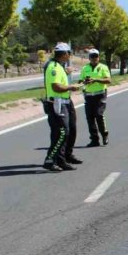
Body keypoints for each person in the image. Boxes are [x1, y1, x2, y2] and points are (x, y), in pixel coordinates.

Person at [41, 43, 83, 171]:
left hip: (66, 101)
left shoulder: (59, 66)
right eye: (69, 53)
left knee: (71, 129)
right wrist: (72, 87)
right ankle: (50, 159)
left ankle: (64, 157)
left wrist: (65, 72)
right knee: (61, 132)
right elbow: (56, 87)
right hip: (57, 103)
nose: (70, 55)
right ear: (64, 54)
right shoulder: (53, 67)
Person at [81, 48, 112, 147]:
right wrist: (84, 82)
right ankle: (94, 139)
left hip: (100, 95)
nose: (94, 58)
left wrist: (96, 80)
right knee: (90, 118)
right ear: (89, 58)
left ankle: (104, 134)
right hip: (89, 96)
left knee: (99, 115)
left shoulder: (103, 67)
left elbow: (108, 80)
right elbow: (80, 81)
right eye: (92, 56)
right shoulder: (85, 68)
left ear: (98, 57)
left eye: (96, 56)